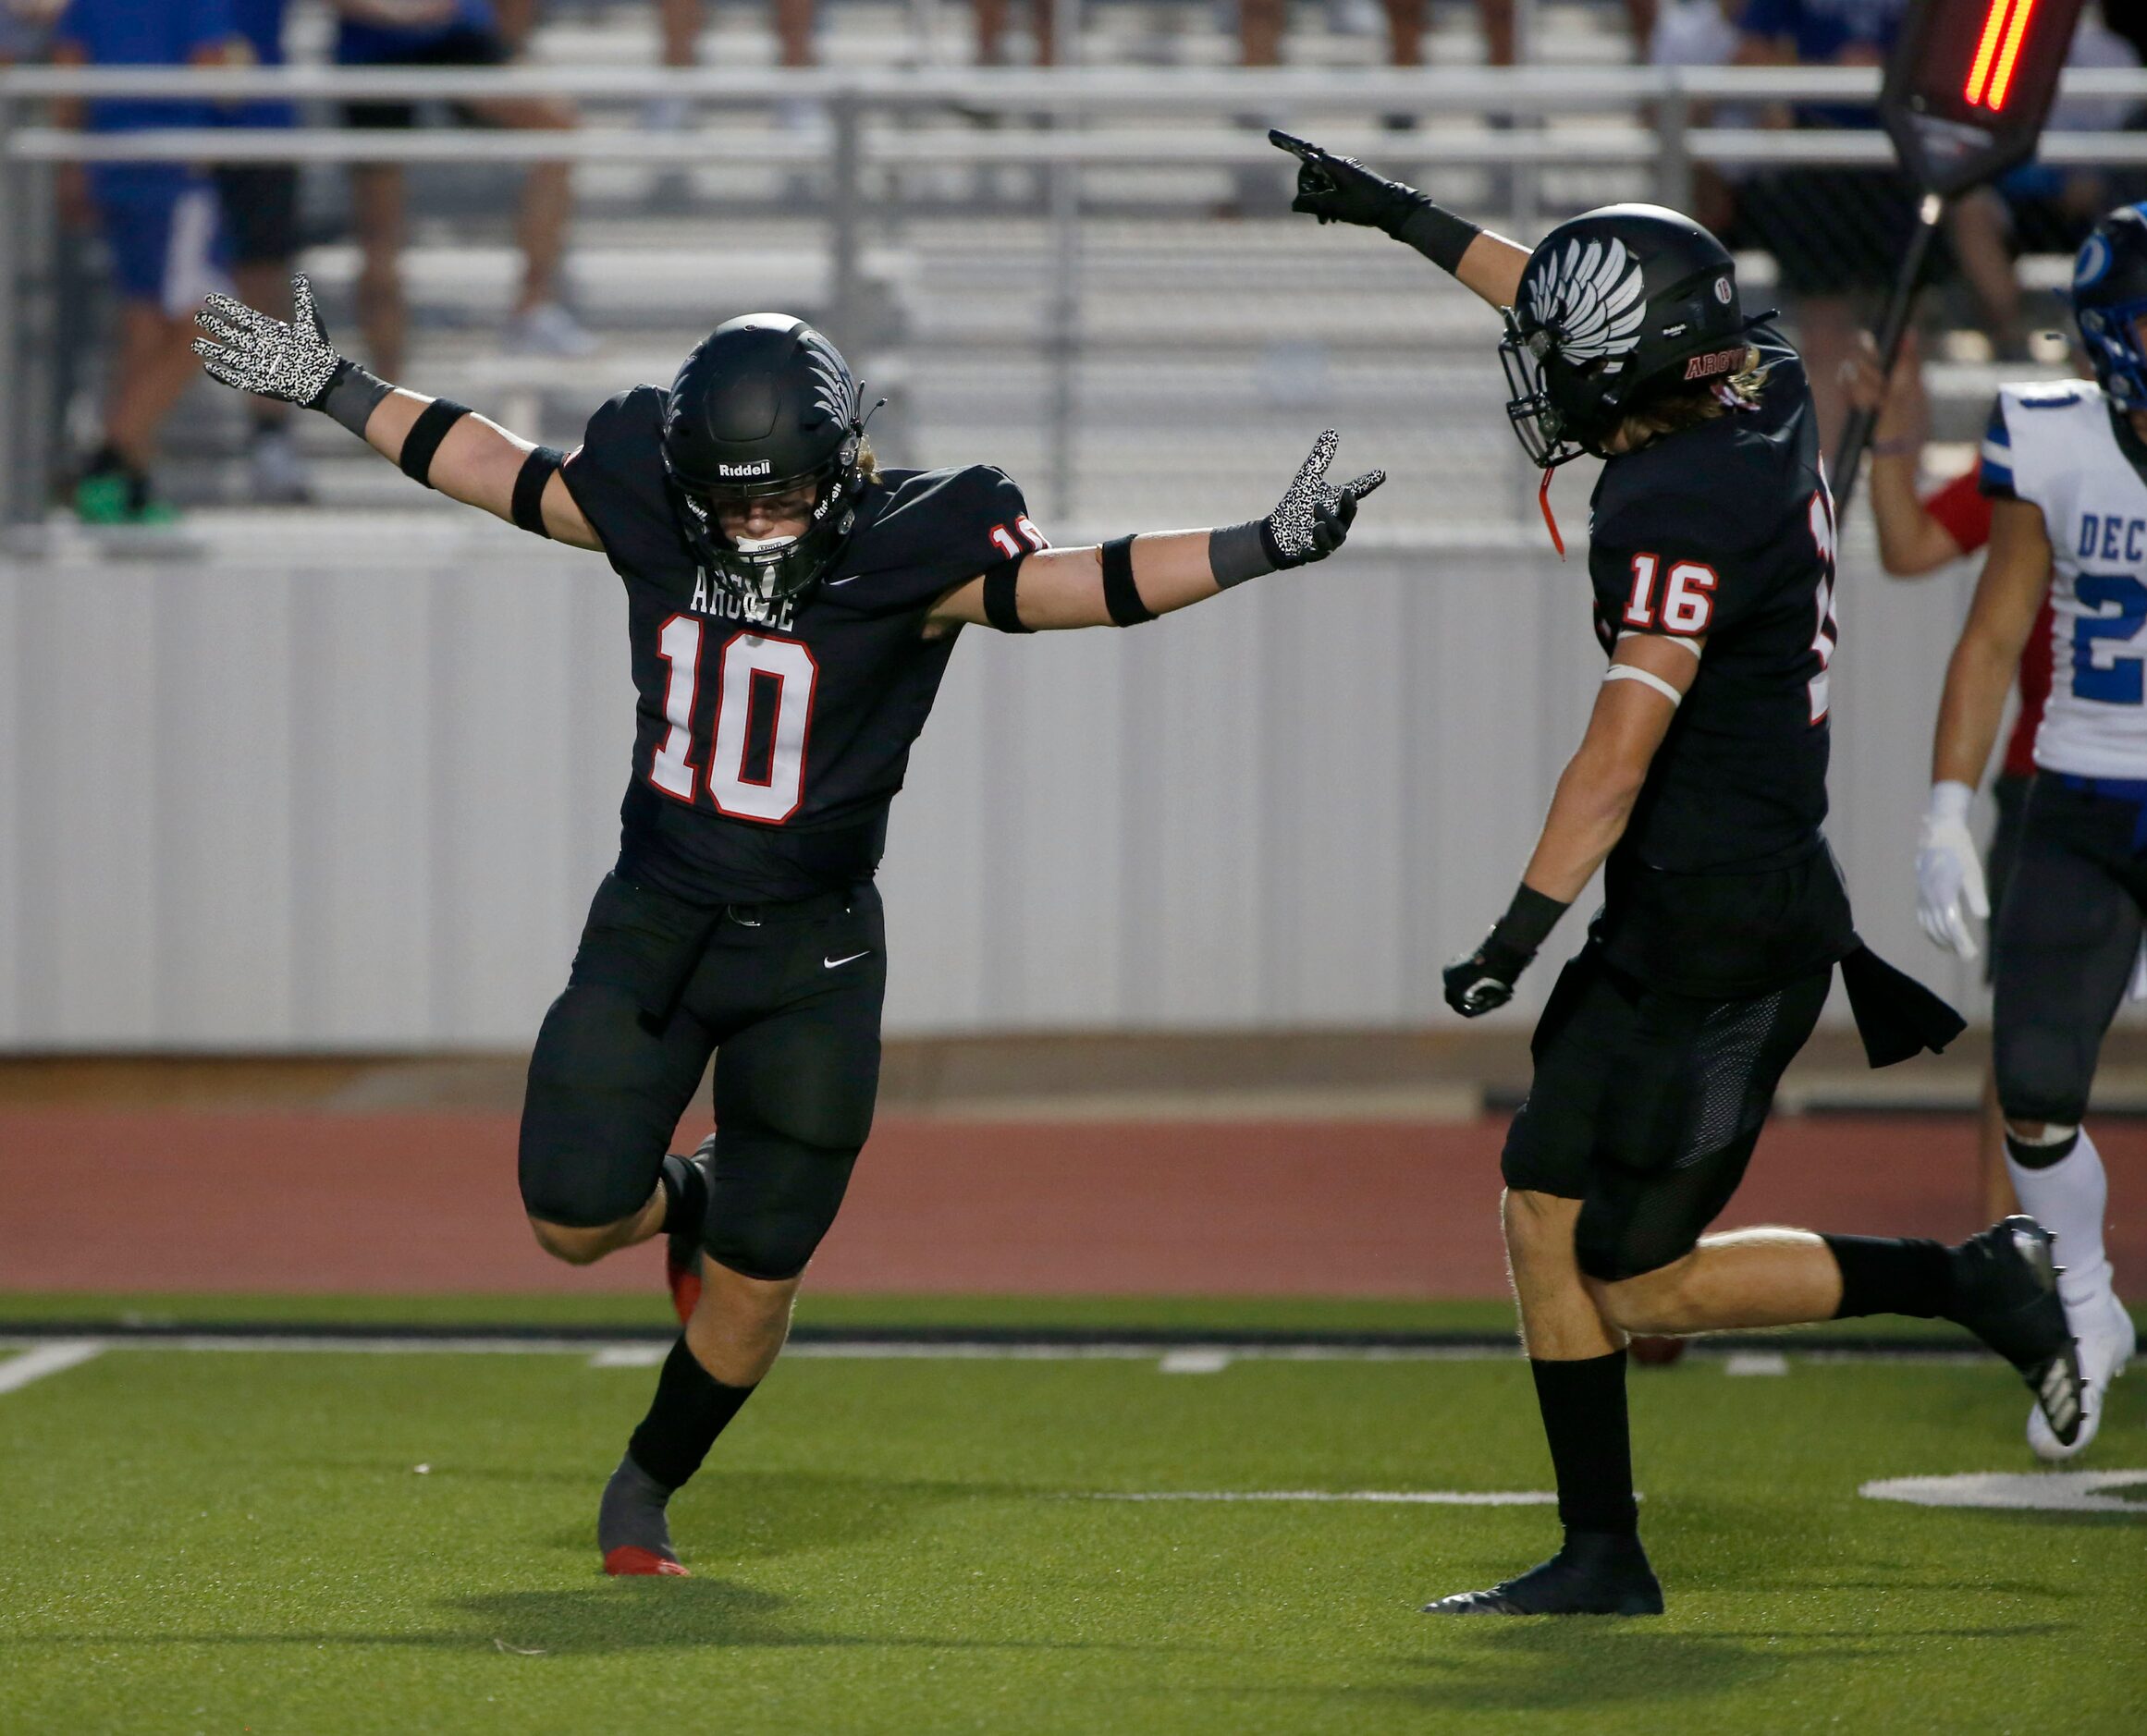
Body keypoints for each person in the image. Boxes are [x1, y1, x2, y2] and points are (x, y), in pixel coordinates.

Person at [191, 279, 1384, 1576]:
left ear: (845, 461)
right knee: (571, 1216)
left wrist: (1260, 542)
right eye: (733, 498)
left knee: (762, 1280)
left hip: (811, 951)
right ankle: (688, 1195)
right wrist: (331, 386)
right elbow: (498, 469)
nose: (758, 525)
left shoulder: (918, 539)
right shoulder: (647, 490)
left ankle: (645, 1485)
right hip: (654, 919)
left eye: (783, 495)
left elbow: (1070, 589)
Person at [1271, 129, 2082, 1615]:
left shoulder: (1672, 509)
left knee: (1631, 1275)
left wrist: (1514, 931)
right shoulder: (1748, 364)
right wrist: (1400, 213)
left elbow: (1616, 752)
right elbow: (1576, 298)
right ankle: (1602, 1551)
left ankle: (1968, 1283)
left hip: (1723, 932)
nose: (1545, 374)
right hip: (1691, 903)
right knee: (1540, 1211)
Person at [1916, 204, 2147, 1461]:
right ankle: (2086, 1301)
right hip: (2080, 794)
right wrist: (1948, 805)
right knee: (2038, 1092)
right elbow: (1994, 632)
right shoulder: (2050, 434)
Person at [1843, 334, 2054, 1227]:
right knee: (2032, 1048)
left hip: (2063, 776)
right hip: (2061, 781)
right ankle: (2012, 1262)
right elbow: (1913, 547)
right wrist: (1894, 434)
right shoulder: (2055, 448)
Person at [52, 0, 249, 523]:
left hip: (113, 165)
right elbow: (214, 74)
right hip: (171, 171)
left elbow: (70, 76)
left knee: (142, 323)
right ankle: (108, 459)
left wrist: (71, 166)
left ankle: (129, 488)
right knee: (211, 318)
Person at [333, 0, 592, 379]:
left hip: (454, 33)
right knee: (379, 236)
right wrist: (399, 12)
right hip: (372, 46)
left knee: (556, 129)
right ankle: (386, 395)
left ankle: (532, 308)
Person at [215, 0, 311, 502]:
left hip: (256, 122)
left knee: (265, 286)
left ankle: (271, 433)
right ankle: (121, 454)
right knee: (150, 297)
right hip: (158, 116)